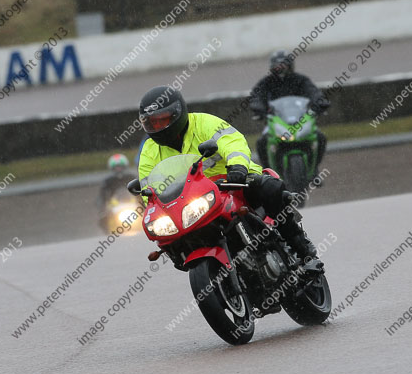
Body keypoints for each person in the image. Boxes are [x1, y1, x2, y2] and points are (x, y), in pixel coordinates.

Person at [136, 85, 318, 261]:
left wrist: (237, 167)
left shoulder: (205, 123)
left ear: (178, 113)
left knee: (270, 188)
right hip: (194, 199)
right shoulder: (149, 150)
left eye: (163, 119)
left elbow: (233, 143)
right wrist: (157, 207)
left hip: (233, 182)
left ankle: (299, 245)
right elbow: (148, 187)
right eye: (152, 122)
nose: (159, 126)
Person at [249, 50, 329, 167]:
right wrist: (258, 108)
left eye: (284, 65)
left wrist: (320, 102)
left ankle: (313, 169)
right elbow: (256, 97)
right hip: (276, 122)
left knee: (320, 137)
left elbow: (314, 93)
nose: (281, 68)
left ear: (291, 65)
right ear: (272, 67)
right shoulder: (266, 83)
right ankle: (268, 174)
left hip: (302, 120)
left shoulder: (301, 80)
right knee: (262, 142)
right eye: (278, 66)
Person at [97, 153, 134, 230]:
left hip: (133, 203)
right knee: (103, 219)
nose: (118, 169)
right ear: (112, 168)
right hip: (115, 206)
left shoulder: (132, 177)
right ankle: (109, 233)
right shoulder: (108, 181)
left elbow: (141, 190)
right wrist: (103, 208)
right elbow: (102, 197)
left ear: (125, 166)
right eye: (116, 167)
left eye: (120, 167)